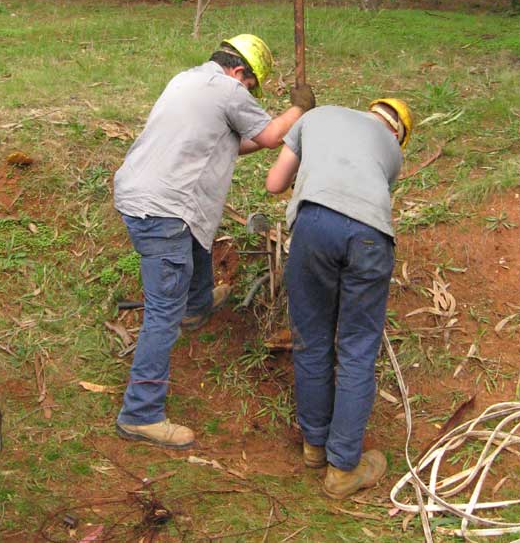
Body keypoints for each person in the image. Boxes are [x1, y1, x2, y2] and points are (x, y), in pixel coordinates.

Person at [113, 34, 315, 449]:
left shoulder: (186, 81)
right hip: (165, 209)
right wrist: (299, 108)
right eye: (251, 86)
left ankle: (197, 306)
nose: (249, 92)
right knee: (161, 313)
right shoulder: (227, 89)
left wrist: (267, 134)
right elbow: (270, 136)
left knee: (195, 250)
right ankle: (141, 413)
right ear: (240, 73)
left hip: (143, 198)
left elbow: (235, 142)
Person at [265, 96, 413, 500]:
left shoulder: (318, 116)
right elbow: (370, 202)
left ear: (370, 110)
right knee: (356, 352)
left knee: (311, 342)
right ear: (397, 131)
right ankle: (343, 468)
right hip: (370, 238)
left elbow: (274, 184)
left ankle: (314, 447)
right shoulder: (393, 153)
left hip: (313, 226)